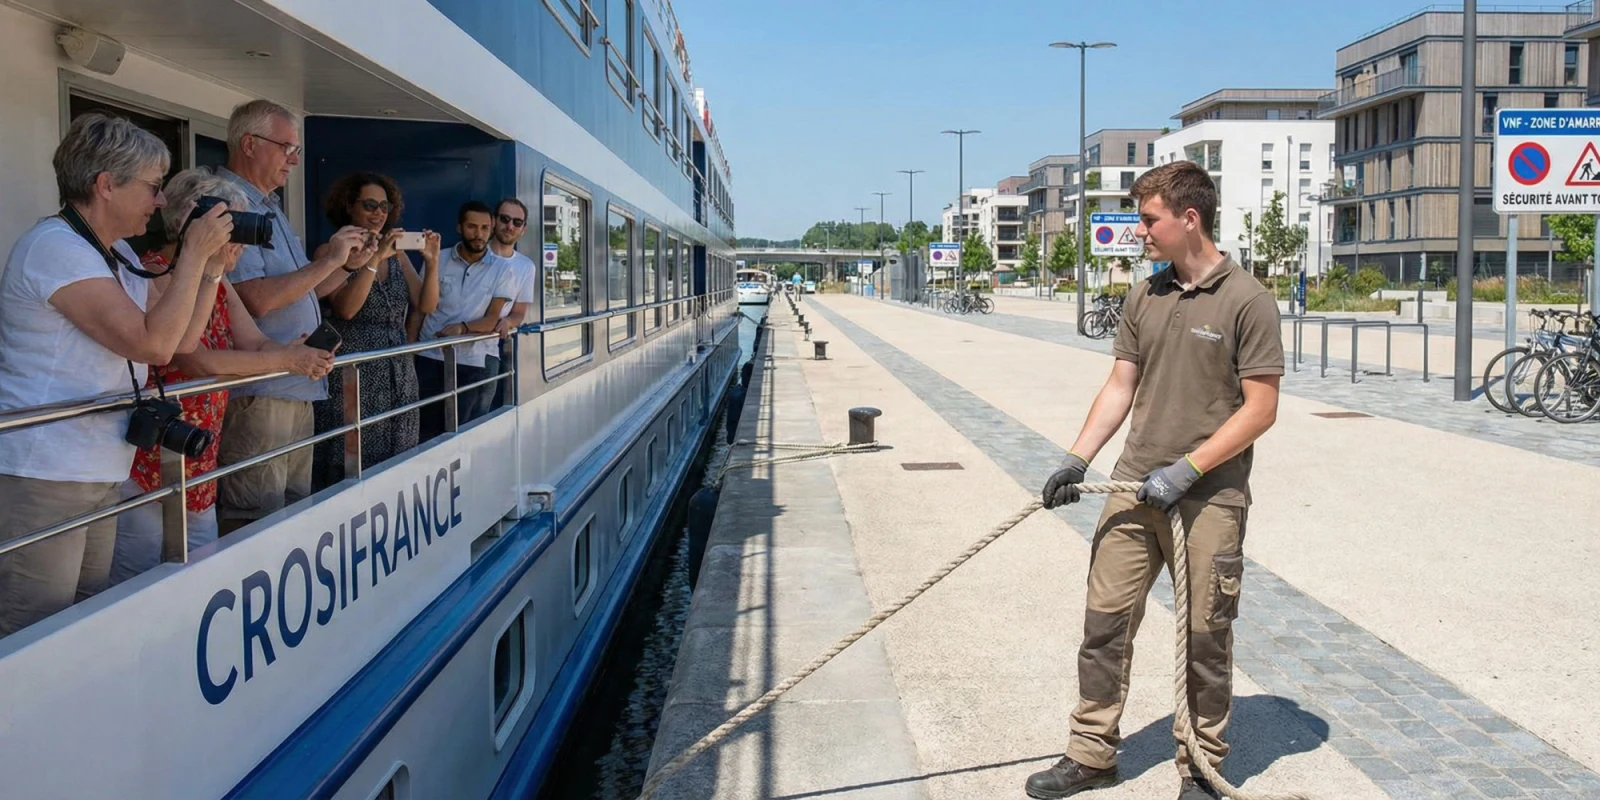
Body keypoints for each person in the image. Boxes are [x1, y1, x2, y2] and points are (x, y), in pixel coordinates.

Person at [1025, 161, 1284, 800]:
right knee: (1104, 624)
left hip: (1209, 498)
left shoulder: (1247, 299)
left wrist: (1188, 468)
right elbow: (1121, 385)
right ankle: (1091, 753)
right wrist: (1076, 459)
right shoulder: (1145, 295)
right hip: (1133, 487)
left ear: (1189, 219)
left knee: (1204, 638)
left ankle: (1201, 767)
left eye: (1148, 220)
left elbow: (1261, 409)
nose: (1139, 232)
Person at [0, 112, 232, 635]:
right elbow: (152, 344)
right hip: (47, 471)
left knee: (83, 615)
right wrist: (192, 254)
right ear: (106, 185)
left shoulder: (116, 251)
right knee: (35, 625)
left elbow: (182, 339)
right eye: (152, 186)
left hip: (98, 464)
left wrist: (211, 267)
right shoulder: (56, 249)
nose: (160, 201)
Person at [108, 168, 334, 586]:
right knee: (137, 574)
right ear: (193, 221)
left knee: (203, 573)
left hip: (200, 449)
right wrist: (287, 361)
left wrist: (294, 352)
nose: (239, 240)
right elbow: (194, 361)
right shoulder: (153, 272)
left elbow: (254, 342)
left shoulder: (220, 281)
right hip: (153, 453)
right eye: (231, 225)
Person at [214, 99, 374, 535]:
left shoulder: (268, 205)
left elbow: (304, 289)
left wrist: (348, 265)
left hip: (295, 383)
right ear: (249, 144)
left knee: (291, 517)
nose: (295, 159)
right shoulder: (230, 203)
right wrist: (330, 261)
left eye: (296, 149)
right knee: (255, 521)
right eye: (286, 147)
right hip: (261, 389)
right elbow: (255, 300)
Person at [309, 173, 441, 487]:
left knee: (397, 465)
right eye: (370, 205)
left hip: (398, 374)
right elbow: (346, 309)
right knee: (352, 464)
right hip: (355, 376)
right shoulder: (330, 251)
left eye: (384, 206)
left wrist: (432, 263)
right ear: (349, 206)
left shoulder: (397, 254)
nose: (379, 213)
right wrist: (374, 258)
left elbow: (426, 304)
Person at [415, 201, 516, 441]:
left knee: (464, 437)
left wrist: (462, 328)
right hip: (429, 356)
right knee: (425, 433)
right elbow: (420, 310)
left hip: (472, 361)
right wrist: (408, 352)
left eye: (484, 228)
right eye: (472, 226)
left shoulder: (503, 269)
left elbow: (493, 318)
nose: (478, 234)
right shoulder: (437, 258)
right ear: (459, 227)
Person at [488, 197, 537, 410]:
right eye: (505, 219)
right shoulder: (476, 254)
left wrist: (508, 322)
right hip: (445, 349)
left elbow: (519, 312)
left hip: (488, 350)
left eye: (517, 222)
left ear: (523, 229)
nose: (510, 226)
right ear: (494, 221)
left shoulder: (525, 267)